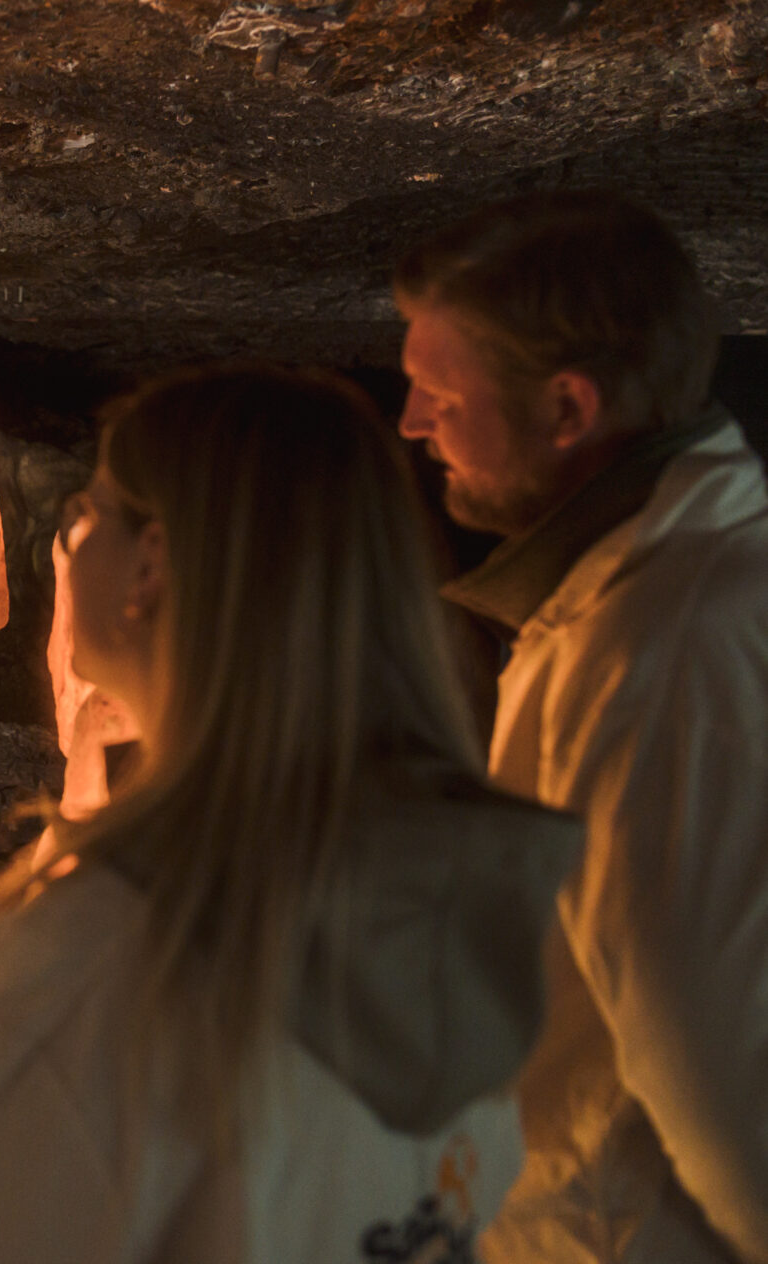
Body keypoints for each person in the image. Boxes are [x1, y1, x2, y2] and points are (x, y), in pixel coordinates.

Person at [0, 363, 581, 1263]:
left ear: (150, 565)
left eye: (86, 515)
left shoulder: (112, 954)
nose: (70, 544)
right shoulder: (501, 896)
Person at [394, 192, 768, 1263]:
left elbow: (715, 1064)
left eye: (435, 391)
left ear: (567, 408)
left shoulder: (661, 650)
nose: (413, 424)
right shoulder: (628, 599)